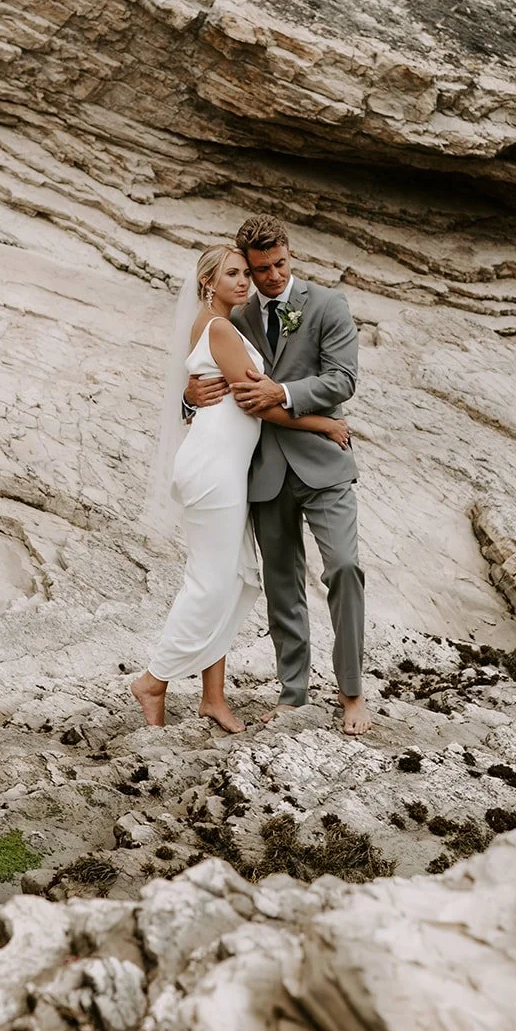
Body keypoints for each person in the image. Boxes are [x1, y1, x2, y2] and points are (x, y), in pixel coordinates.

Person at [133, 244, 351, 732]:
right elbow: (258, 402)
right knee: (211, 583)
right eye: (232, 274)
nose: (244, 282)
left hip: (226, 466)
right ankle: (153, 680)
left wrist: (192, 396)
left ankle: (212, 697)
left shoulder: (221, 325)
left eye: (244, 274)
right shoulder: (220, 328)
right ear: (207, 282)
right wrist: (324, 424)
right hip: (214, 467)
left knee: (234, 577)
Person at [183, 215, 372, 736]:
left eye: (279, 265)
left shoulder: (327, 305)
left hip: (323, 461)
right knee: (281, 584)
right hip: (261, 466)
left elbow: (342, 379)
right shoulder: (234, 313)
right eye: (259, 268)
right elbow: (206, 371)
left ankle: (352, 693)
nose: (270, 277)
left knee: (344, 567)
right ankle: (293, 694)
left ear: (290, 254)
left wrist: (283, 392)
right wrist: (188, 396)